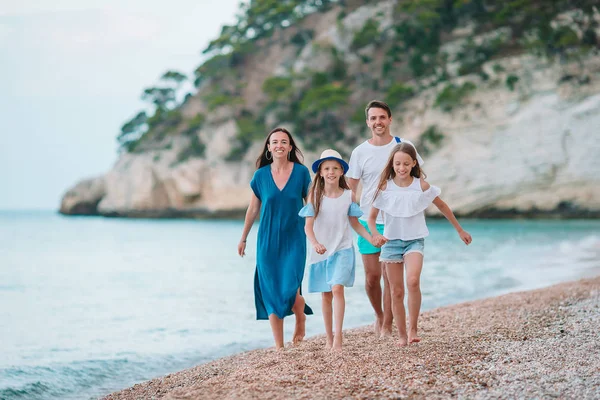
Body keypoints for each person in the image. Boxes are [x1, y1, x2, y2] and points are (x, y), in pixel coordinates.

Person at [368, 142, 472, 346]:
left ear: (413, 163)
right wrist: (374, 235)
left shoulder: (421, 185)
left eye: (406, 163)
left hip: (414, 241)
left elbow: (442, 206)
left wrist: (460, 230)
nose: (402, 168)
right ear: (392, 164)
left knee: (413, 281)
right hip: (391, 243)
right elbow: (371, 218)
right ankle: (401, 335)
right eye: (397, 164)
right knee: (396, 291)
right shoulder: (384, 187)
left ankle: (413, 329)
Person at [346, 100, 424, 337]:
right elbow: (351, 189)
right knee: (372, 278)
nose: (378, 122)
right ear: (367, 122)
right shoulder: (360, 152)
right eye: (373, 118)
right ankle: (379, 315)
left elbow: (418, 176)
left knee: (392, 279)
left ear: (390, 119)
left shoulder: (403, 146)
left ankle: (388, 324)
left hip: (397, 220)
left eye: (382, 117)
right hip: (369, 220)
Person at [237, 127, 313, 350]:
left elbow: (310, 204)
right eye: (275, 142)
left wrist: (318, 231)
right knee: (270, 289)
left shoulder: (301, 173)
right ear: (269, 148)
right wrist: (243, 238)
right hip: (267, 240)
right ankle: (279, 346)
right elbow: (252, 210)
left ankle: (300, 316)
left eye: (283, 142)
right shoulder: (260, 176)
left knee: (291, 285)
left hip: (294, 238)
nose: (279, 145)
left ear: (290, 147)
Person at [299, 149, 381, 352]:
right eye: (326, 168)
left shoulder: (349, 196)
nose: (331, 172)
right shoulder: (315, 196)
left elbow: (355, 224)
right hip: (321, 252)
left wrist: (371, 237)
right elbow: (307, 227)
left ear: (341, 171)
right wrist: (315, 243)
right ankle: (328, 337)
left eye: (335, 168)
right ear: (320, 172)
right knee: (326, 295)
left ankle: (338, 338)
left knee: (337, 288)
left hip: (343, 249)